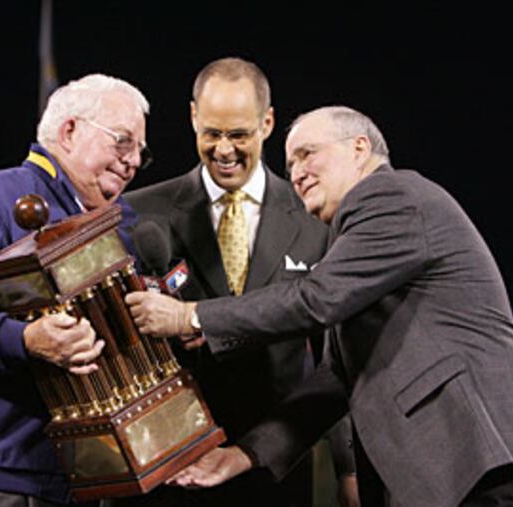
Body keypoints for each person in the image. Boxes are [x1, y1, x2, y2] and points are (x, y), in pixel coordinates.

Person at [125, 106, 513, 506]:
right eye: (289, 162)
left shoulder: (392, 197)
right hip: (463, 471)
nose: (297, 171)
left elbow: (314, 299)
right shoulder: (358, 248)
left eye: (308, 153)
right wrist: (244, 455)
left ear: (360, 148)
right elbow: (334, 381)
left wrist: (190, 315)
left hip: (489, 461)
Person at [0, 73, 150, 506]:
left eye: (140, 154)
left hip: (81, 478)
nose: (131, 162)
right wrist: (24, 339)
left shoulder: (118, 225)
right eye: (122, 142)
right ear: (69, 131)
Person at [121, 57, 357, 506]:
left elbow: (336, 360)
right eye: (211, 133)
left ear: (267, 123)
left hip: (275, 471)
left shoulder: (315, 220)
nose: (224, 150)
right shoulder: (137, 215)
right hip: (166, 472)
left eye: (239, 134)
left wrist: (348, 469)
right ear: (192, 117)